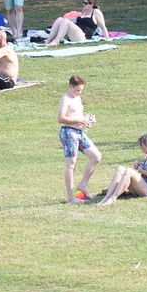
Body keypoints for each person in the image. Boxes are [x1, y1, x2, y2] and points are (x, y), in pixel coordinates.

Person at [57, 75, 100, 203]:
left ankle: (83, 185)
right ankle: (71, 197)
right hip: (69, 132)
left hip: (79, 132)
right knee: (71, 164)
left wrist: (87, 119)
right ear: (70, 87)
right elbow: (60, 118)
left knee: (96, 156)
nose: (79, 92)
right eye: (77, 90)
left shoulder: (77, 98)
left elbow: (79, 115)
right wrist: (79, 120)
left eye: (81, 90)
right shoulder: (66, 99)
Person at [97, 134, 147, 206]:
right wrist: (140, 164)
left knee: (128, 171)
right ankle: (106, 197)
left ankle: (113, 198)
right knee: (120, 169)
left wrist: (139, 169)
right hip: (144, 185)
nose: (141, 148)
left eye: (141, 145)